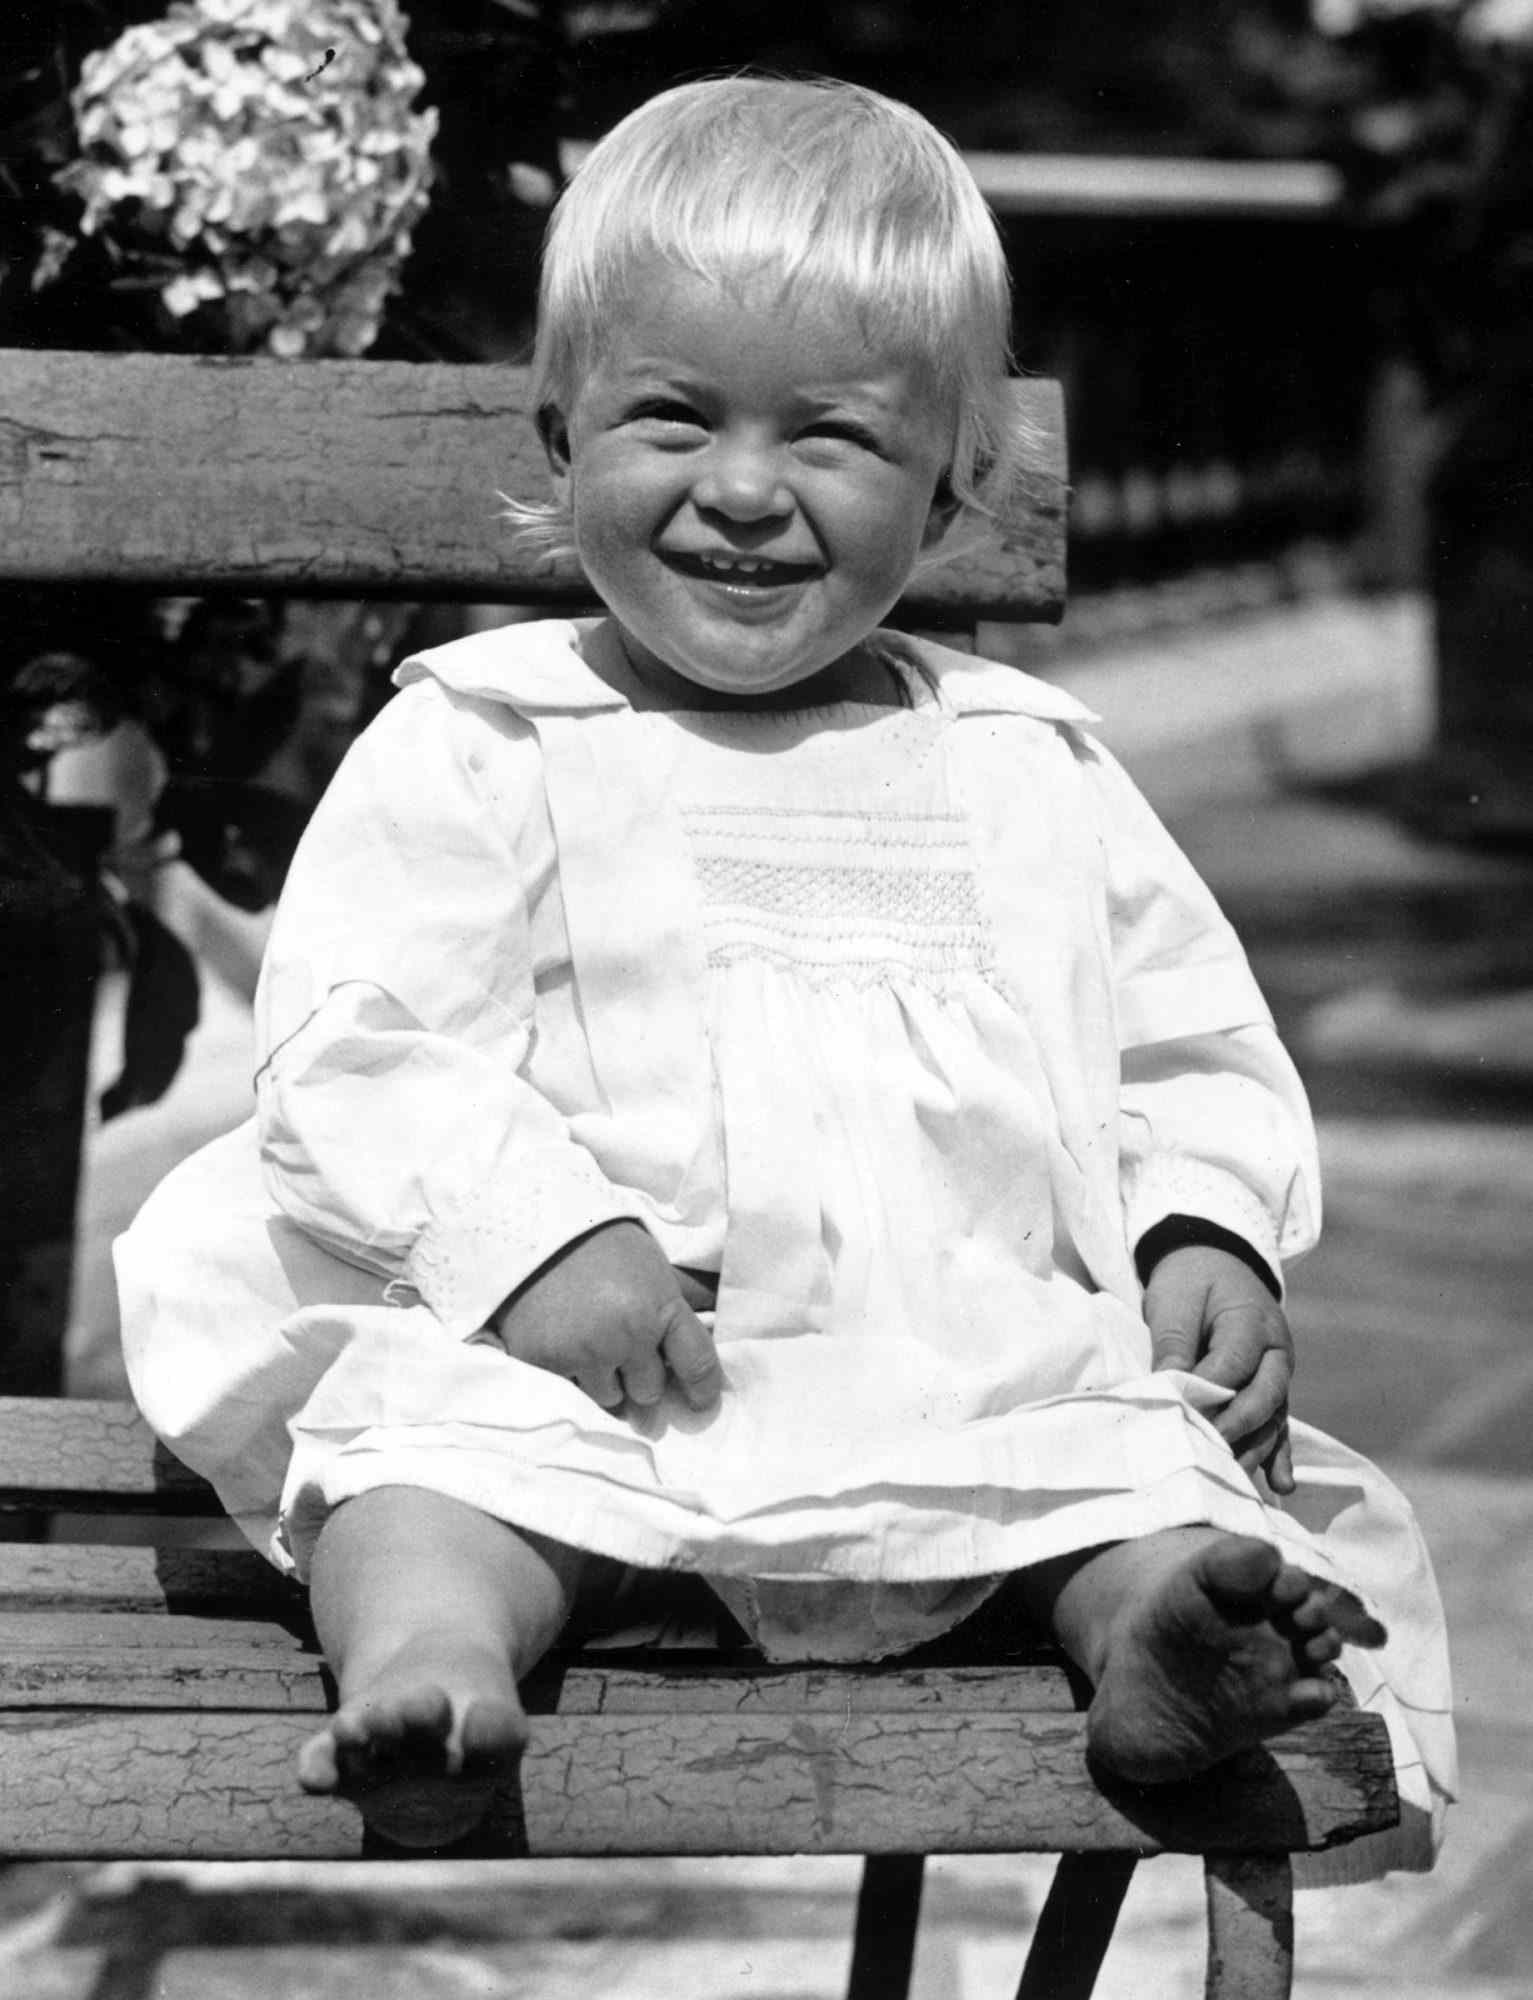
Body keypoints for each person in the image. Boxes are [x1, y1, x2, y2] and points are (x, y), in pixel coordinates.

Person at [116, 75, 1454, 1868]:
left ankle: (1152, 1637)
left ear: (954, 475)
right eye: (671, 417)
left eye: (827, 438)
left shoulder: (1021, 763)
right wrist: (526, 1238)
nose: (740, 493)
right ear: (560, 426)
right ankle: (431, 1659)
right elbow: (357, 1043)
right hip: (589, 1379)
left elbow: (1181, 1042)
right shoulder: (491, 737)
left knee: (1125, 1475)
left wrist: (1195, 1223)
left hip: (962, 1370)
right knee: (423, 1463)